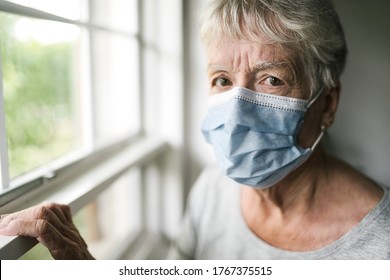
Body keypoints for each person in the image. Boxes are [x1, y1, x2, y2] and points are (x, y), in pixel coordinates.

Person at [1, 0, 389, 260]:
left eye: (272, 79)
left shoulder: (380, 246)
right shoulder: (212, 191)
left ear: (328, 104)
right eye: (222, 79)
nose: (237, 107)